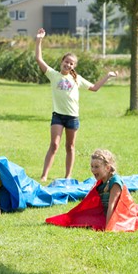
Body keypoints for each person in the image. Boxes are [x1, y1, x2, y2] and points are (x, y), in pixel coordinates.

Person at [35, 28, 118, 182]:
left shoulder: (77, 79)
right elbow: (39, 59)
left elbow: (94, 88)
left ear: (73, 66)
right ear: (62, 62)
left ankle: (68, 176)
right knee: (54, 145)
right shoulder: (53, 75)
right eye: (66, 62)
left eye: (71, 63)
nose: (68, 65)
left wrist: (108, 76)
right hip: (58, 116)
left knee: (70, 147)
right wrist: (39, 40)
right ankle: (44, 175)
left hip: (72, 117)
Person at [90, 149, 123, 225]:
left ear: (107, 168)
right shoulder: (100, 182)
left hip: (118, 216)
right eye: (92, 166)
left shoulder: (115, 182)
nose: (93, 170)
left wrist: (108, 227)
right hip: (104, 214)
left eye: (96, 167)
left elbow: (112, 206)